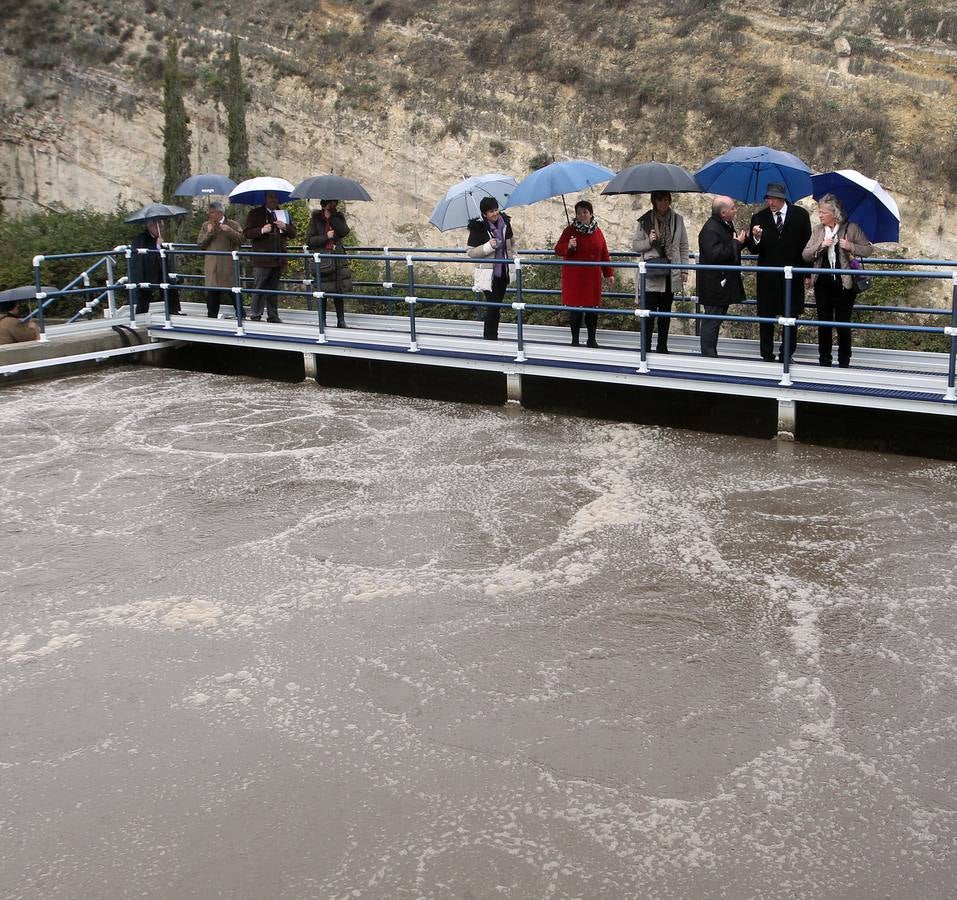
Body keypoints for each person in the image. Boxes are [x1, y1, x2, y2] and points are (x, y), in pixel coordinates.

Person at [802, 194, 874, 367]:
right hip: (822, 283)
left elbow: (868, 249)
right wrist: (821, 246)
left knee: (843, 323)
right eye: (819, 212)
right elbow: (805, 255)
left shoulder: (851, 228)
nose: (820, 215)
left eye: (823, 212)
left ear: (835, 214)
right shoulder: (818, 230)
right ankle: (824, 359)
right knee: (824, 323)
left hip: (844, 284)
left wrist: (850, 246)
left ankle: (844, 361)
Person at [746, 182, 813, 362]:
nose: (770, 202)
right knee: (766, 316)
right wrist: (756, 238)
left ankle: (787, 354)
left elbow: (806, 246)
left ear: (783, 198)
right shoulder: (759, 217)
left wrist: (808, 273)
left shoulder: (800, 215)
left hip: (793, 276)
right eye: (768, 198)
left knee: (791, 316)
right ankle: (766, 354)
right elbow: (753, 249)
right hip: (768, 277)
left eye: (774, 198)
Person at [631, 191, 689, 354]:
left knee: (665, 312)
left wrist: (685, 269)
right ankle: (646, 347)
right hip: (652, 273)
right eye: (659, 200)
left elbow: (683, 246)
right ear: (654, 202)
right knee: (648, 313)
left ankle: (662, 346)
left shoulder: (678, 219)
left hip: (671, 271)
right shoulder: (645, 220)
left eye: (666, 200)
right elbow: (635, 245)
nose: (663, 203)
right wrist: (649, 241)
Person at [555, 200, 614, 348]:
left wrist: (608, 273)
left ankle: (591, 339)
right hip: (574, 277)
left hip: (592, 277)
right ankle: (574, 340)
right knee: (575, 311)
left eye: (585, 212)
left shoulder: (598, 232)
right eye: (579, 213)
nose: (582, 215)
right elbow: (558, 249)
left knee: (592, 310)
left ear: (591, 214)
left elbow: (604, 253)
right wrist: (569, 245)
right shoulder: (569, 231)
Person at [697, 195, 748, 357]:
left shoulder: (725, 224)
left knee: (716, 320)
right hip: (714, 285)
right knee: (712, 321)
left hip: (723, 283)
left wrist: (743, 241)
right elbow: (715, 255)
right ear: (723, 213)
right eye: (732, 208)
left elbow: (730, 247)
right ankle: (708, 356)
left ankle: (711, 354)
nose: (736, 210)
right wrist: (736, 243)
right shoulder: (710, 229)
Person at [242, 190, 297, 323]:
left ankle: (273, 315)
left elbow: (293, 233)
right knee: (259, 287)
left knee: (273, 289)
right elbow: (247, 233)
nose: (274, 200)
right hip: (262, 258)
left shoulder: (283, 214)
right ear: (265, 198)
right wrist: (262, 230)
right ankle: (256, 315)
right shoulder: (255, 213)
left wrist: (285, 226)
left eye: (276, 197)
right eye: (271, 197)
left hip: (278, 257)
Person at [467, 197, 514, 341]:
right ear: (484, 214)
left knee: (497, 306)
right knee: (493, 306)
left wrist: (514, 257)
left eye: (496, 209)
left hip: (503, 272)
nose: (495, 213)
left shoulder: (505, 223)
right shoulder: (478, 228)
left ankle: (493, 336)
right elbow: (470, 252)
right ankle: (489, 337)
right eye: (491, 211)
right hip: (488, 274)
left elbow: (511, 244)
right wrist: (488, 246)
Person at [306, 199, 352, 328]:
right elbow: (309, 241)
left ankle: (341, 320)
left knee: (339, 289)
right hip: (323, 260)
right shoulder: (316, 218)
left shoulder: (338, 216)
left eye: (334, 203)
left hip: (337, 258)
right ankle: (323, 320)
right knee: (322, 290)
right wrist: (326, 237)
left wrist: (332, 218)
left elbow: (344, 231)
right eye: (330, 203)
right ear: (324, 204)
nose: (332, 205)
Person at [196, 201, 243, 318]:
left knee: (233, 292)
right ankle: (211, 318)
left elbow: (241, 240)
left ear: (220, 213)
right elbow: (200, 244)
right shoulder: (206, 225)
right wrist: (209, 233)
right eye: (210, 212)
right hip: (212, 266)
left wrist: (229, 231)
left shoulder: (232, 224)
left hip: (228, 265)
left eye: (212, 212)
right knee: (212, 295)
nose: (210, 215)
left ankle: (241, 316)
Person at [129, 218, 181, 314]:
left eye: (161, 226)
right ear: (150, 226)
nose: (160, 228)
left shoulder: (157, 238)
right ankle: (140, 315)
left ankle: (174, 311)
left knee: (170, 286)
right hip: (146, 272)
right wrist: (157, 246)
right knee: (143, 296)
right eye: (158, 226)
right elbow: (143, 256)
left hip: (158, 270)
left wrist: (159, 246)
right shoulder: (141, 238)